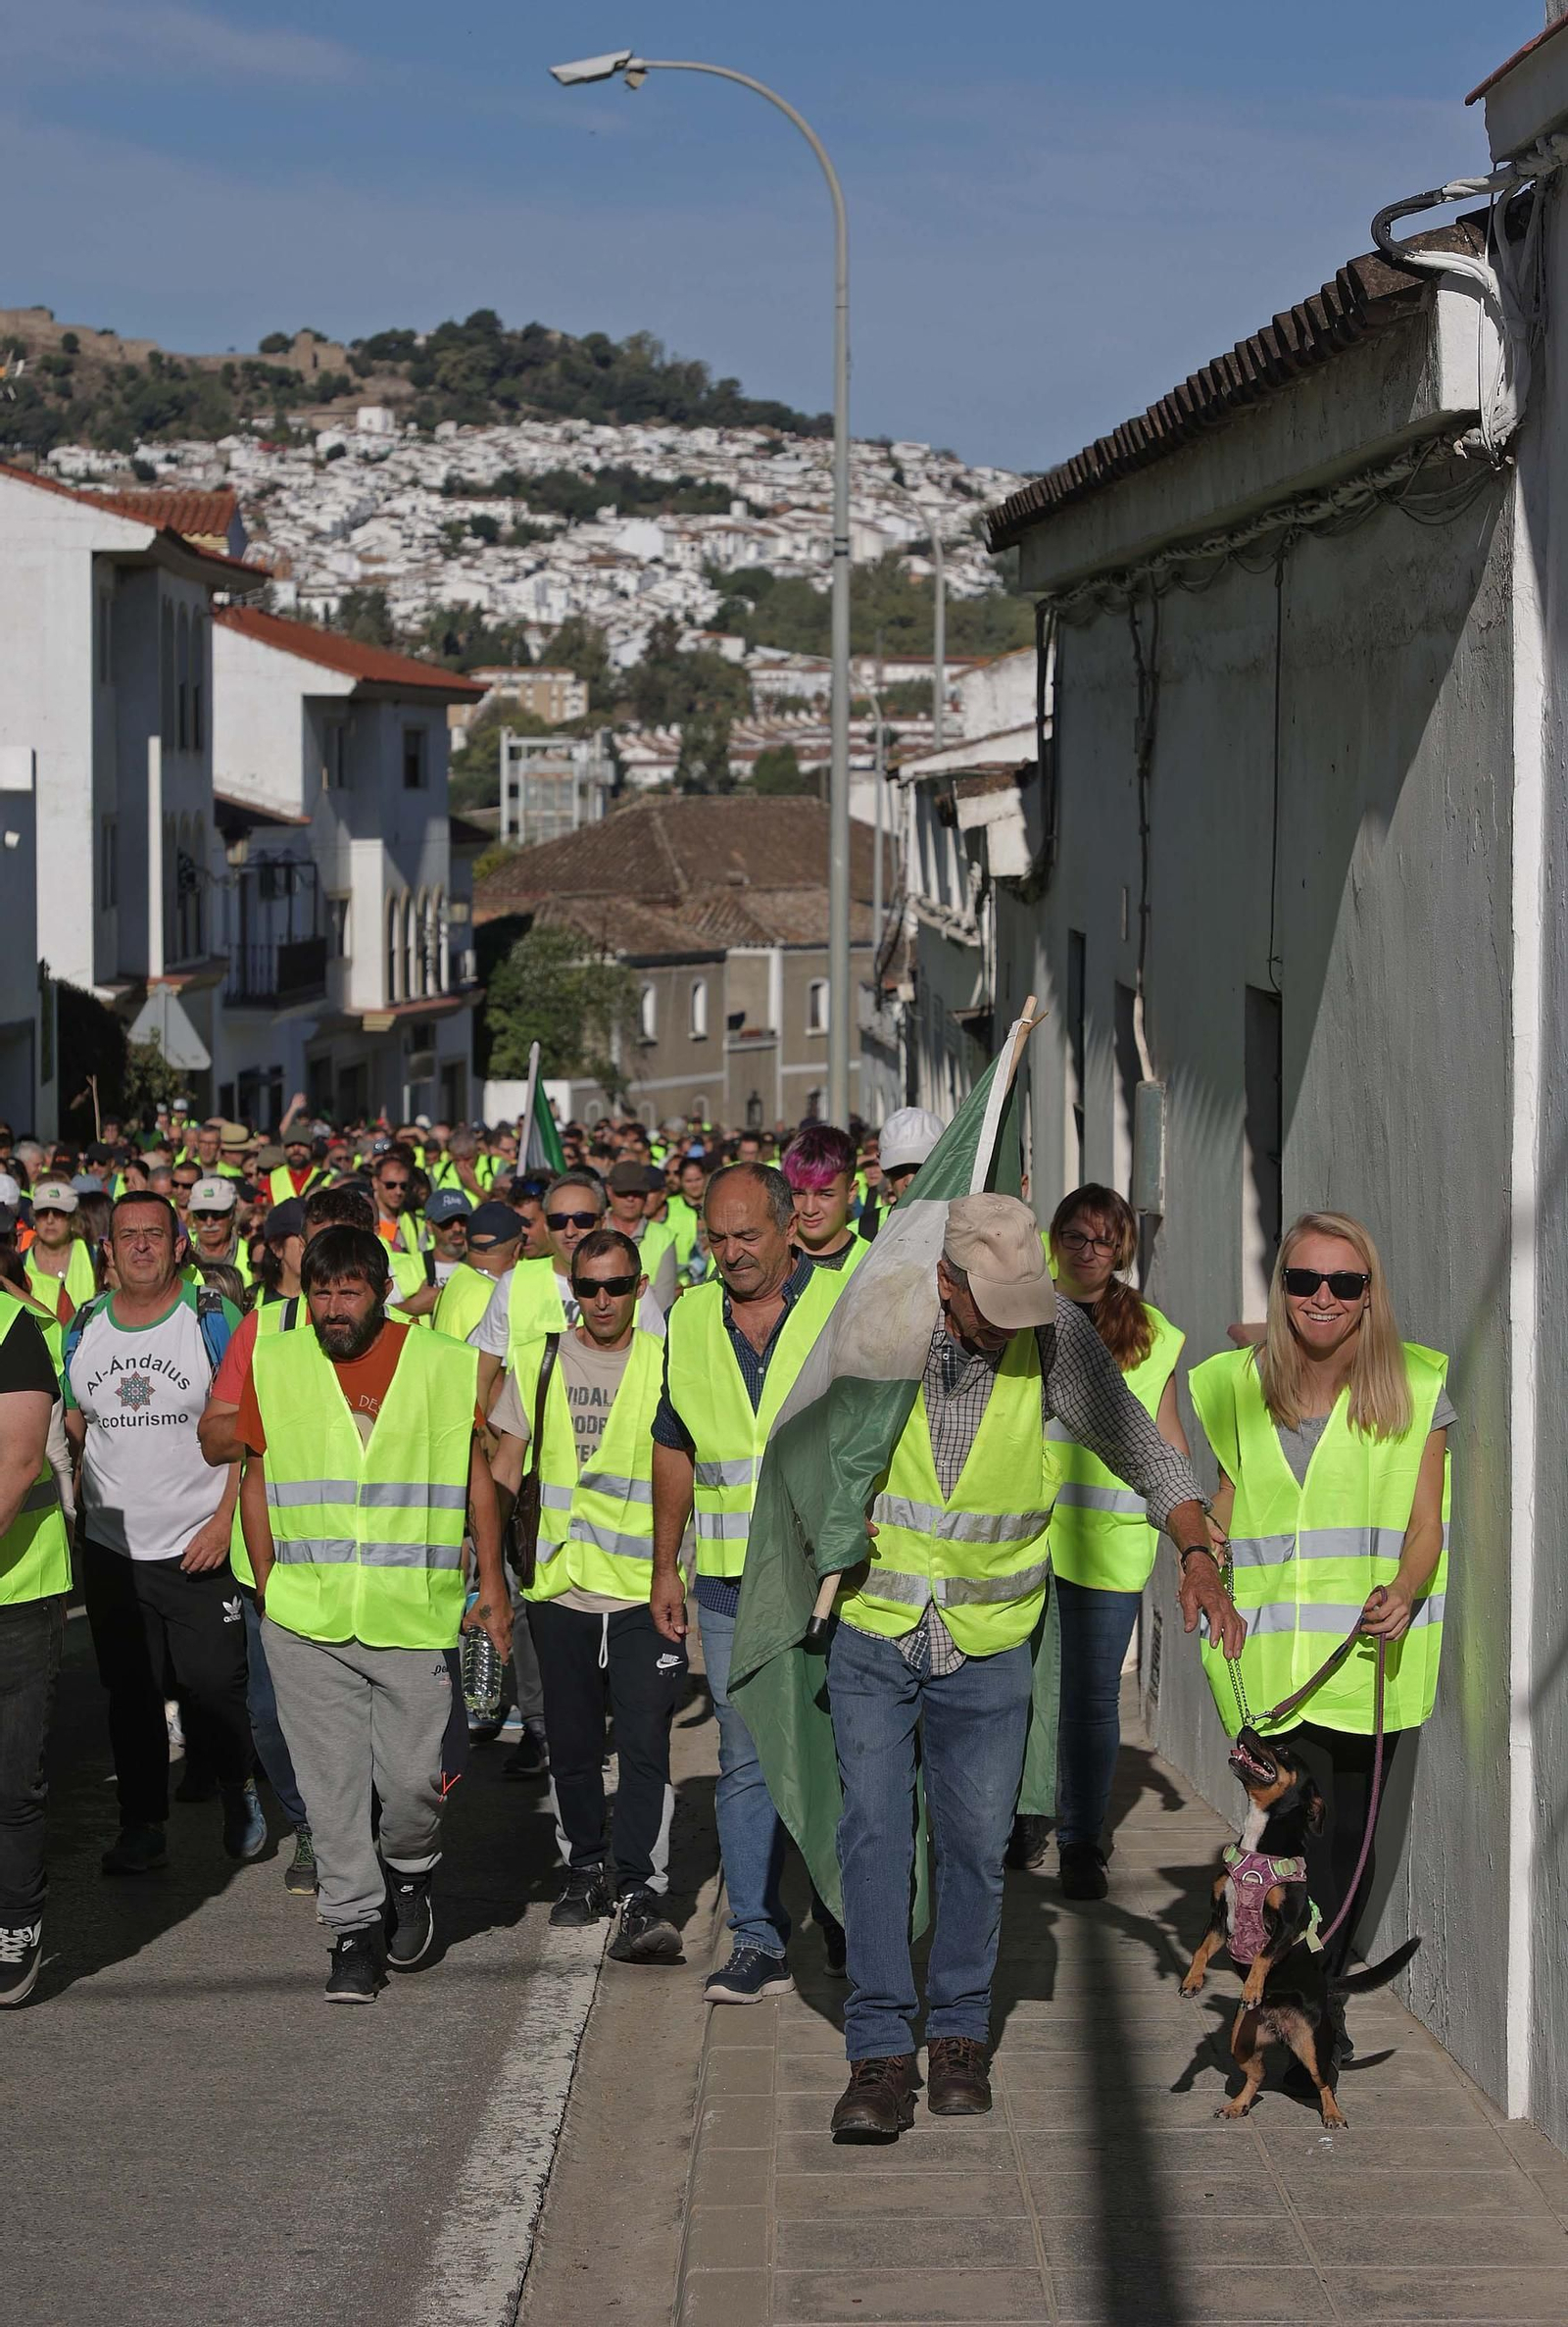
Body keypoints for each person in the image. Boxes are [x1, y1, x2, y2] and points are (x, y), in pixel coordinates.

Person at [821, 1194, 1242, 2139]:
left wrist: (1197, 1548)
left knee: (974, 1844)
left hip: (992, 1639)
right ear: (945, 1281)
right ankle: (879, 2052)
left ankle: (959, 2036)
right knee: (877, 1837)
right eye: (989, 1306)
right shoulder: (879, 1322)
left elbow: (1145, 1447)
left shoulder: (1053, 1337)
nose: (1010, 1323)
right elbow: (803, 1449)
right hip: (876, 1627)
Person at [237, 1225, 511, 2002]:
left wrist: (491, 1587)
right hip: (306, 1619)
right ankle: (354, 1930)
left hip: (412, 1618)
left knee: (414, 1785)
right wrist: (266, 1584)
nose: (332, 1307)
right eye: (320, 1291)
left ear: (382, 1291)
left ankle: (413, 1873)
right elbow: (256, 1474)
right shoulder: (278, 1361)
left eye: (348, 1291)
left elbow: (477, 1483)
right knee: (330, 1788)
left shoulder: (441, 1364)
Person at [1188, 1211, 1450, 1991]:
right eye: (1305, 1281)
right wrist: (1200, 1551)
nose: (1324, 1297)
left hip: (1369, 1662)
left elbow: (1427, 1525)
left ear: (1370, 1295)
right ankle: (1292, 2009)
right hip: (1267, 1668)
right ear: (1283, 1289)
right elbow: (1228, 1503)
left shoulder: (1416, 1388)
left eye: (1345, 1282)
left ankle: (1313, 2008)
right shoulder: (1238, 1385)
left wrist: (1405, 1590)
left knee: (1344, 1858)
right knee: (1284, 1858)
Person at [651, 1164, 846, 2002]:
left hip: (837, 1579)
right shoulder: (691, 1318)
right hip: (729, 1583)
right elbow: (674, 1445)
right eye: (717, 1239)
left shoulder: (844, 1303)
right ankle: (759, 1938)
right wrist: (667, 1561)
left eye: (748, 1236)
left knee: (845, 1751)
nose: (731, 1254)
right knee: (746, 1759)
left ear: (791, 1225)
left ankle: (844, 1914)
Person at [489, 1227, 684, 1961]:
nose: (603, 1301)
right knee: (570, 1748)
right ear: (574, 1290)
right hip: (559, 1584)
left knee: (642, 1746)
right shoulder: (539, 1359)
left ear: (639, 1288)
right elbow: (507, 1467)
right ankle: (586, 1869)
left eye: (617, 1286)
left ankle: (639, 1888)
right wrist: (484, 1572)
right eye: (589, 1288)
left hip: (642, 1589)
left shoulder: (668, 1363)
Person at [62, 1193, 265, 1876]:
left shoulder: (212, 1318)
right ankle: (142, 1824)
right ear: (109, 1249)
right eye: (128, 1236)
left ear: (180, 1245)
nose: (142, 1246)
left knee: (212, 1684)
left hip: (200, 1544)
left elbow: (249, 1433)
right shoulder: (84, 1326)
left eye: (155, 1234)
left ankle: (238, 1790)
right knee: (132, 1694)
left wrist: (223, 1520)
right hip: (115, 1550)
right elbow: (76, 1422)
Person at [1009, 1185, 1191, 1892]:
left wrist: (1194, 1535)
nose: (1089, 1253)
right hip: (1020, 1536)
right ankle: (1018, 1821)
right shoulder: (1017, 1312)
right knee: (1014, 1689)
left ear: (1123, 1251)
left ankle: (1082, 1842)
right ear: (1054, 1240)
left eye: (1105, 1242)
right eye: (1077, 1238)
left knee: (1088, 1700)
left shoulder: (1152, 1332)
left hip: (1109, 1546)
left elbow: (1167, 1441)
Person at [0, 1287, 70, 2003]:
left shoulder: (11, 1328)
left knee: (10, 1782)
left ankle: (13, 1922)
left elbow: (18, 1466)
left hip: (15, 1594)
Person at [469, 1171, 665, 1415]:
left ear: (602, 1222)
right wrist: (487, 1435)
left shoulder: (628, 1286)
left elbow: (661, 1370)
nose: (570, 1230)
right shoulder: (513, 1282)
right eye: (558, 1220)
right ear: (546, 1226)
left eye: (582, 1219)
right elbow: (484, 1373)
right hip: (531, 1448)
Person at [782, 1124, 865, 1272]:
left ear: (851, 1192)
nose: (809, 1209)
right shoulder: (768, 1260)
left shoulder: (874, 1262)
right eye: (798, 1193)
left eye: (825, 1195)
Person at [388, 1189, 472, 1322]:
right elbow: (374, 1318)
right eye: (447, 1222)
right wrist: (409, 1308)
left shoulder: (485, 1267)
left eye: (463, 1221)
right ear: (429, 1226)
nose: (457, 1228)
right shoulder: (403, 1270)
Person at [606, 1161, 678, 1310]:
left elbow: (663, 1305)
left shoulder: (664, 1237)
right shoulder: (592, 1229)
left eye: (637, 1192)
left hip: (647, 1331)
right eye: (623, 1192)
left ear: (646, 1194)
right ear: (609, 1191)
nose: (630, 1198)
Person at [23, 1180, 97, 1319]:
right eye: (43, 1213)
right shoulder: (20, 1262)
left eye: (59, 1213)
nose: (50, 1220)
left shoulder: (93, 1255)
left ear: (72, 1219)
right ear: (34, 1218)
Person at [184, 1176, 254, 1291]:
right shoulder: (181, 1250)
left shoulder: (250, 1253)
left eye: (217, 1214)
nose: (209, 1222)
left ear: (232, 1213)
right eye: (201, 1214)